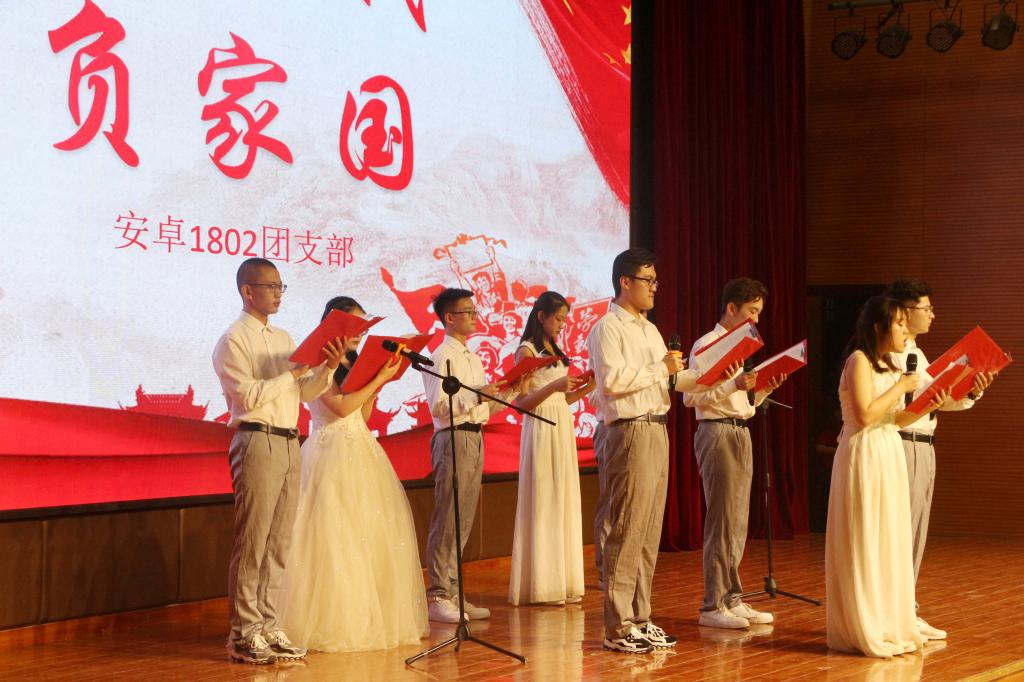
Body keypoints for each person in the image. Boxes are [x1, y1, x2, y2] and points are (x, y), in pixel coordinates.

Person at [212, 258, 344, 664]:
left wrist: (327, 368)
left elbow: (303, 394)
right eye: (270, 286)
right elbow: (248, 397)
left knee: (279, 540)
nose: (277, 294)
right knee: (253, 541)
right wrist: (293, 374)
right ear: (247, 291)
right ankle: (243, 633)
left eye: (280, 286)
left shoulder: (284, 337)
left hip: (288, 440)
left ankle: (268, 625)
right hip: (256, 439)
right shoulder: (233, 340)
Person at [281, 296, 429, 651]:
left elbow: (361, 416)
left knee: (366, 535)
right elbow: (340, 407)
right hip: (329, 454)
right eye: (355, 324)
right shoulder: (318, 361)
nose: (361, 331)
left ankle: (368, 617)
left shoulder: (354, 362)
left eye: (365, 324)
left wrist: (379, 382)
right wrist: (379, 380)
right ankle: (332, 621)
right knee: (332, 539)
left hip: (361, 450)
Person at [587, 248, 708, 654]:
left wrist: (711, 377)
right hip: (629, 429)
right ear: (625, 282)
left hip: (657, 427)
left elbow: (669, 381)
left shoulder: (650, 330)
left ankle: (641, 617)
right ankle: (617, 626)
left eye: (656, 281)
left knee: (648, 529)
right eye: (648, 280)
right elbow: (612, 382)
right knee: (626, 528)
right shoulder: (608, 328)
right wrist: (664, 369)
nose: (655, 288)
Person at [826, 295, 947, 658]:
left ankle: (887, 622)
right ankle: (862, 625)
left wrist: (927, 404)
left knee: (888, 538)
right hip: (862, 453)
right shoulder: (859, 361)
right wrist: (901, 387)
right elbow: (864, 415)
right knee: (864, 536)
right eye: (898, 323)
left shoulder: (890, 367)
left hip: (889, 450)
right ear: (879, 327)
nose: (904, 330)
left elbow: (894, 418)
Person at [884, 279, 996, 640]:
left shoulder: (917, 353)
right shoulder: (889, 353)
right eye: (926, 308)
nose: (933, 314)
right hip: (902, 441)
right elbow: (896, 405)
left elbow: (936, 399)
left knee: (916, 531)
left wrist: (971, 389)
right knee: (900, 531)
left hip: (924, 442)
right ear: (904, 312)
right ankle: (895, 612)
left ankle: (906, 608)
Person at [682, 278, 788, 630]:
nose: (755, 319)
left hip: (741, 429)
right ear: (731, 308)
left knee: (738, 520)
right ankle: (712, 604)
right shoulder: (706, 344)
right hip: (717, 431)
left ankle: (731, 598)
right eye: (751, 311)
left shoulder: (738, 349)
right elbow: (692, 397)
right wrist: (733, 384)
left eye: (758, 312)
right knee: (722, 520)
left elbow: (741, 402)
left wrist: (762, 388)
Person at [423, 288, 526, 623]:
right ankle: (438, 594)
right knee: (448, 516)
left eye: (474, 311)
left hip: (474, 436)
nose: (474, 316)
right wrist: (478, 395)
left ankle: (454, 591)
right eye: (466, 311)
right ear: (449, 317)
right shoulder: (441, 355)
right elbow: (439, 406)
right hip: (452, 438)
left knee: (463, 518)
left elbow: (482, 408)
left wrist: (510, 390)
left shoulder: (472, 356)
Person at [508, 291, 596, 606]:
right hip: (541, 427)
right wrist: (553, 386)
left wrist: (588, 386)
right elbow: (521, 403)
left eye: (564, 320)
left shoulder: (554, 350)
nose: (561, 325)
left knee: (562, 499)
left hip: (560, 425)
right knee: (544, 500)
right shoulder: (526, 350)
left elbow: (563, 399)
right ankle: (543, 584)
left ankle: (564, 581)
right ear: (542, 316)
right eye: (558, 318)